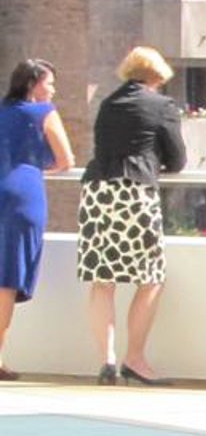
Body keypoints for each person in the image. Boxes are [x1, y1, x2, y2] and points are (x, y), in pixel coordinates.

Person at [77, 44, 186, 384]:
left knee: (102, 281)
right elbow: (178, 159)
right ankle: (135, 359)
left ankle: (106, 361)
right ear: (157, 75)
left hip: (97, 191)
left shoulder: (108, 103)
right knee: (151, 277)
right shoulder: (162, 106)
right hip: (134, 191)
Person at [0, 60, 75, 380]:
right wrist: (39, 170)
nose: (53, 89)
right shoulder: (43, 112)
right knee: (7, 278)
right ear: (33, 84)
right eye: (49, 83)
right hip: (23, 195)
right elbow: (66, 160)